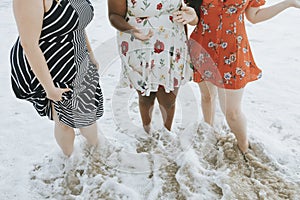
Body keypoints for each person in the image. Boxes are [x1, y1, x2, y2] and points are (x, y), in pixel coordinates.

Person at [174, 0, 300, 155]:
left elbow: (254, 16)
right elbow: (195, 17)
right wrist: (189, 16)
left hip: (234, 52)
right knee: (207, 97)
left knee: (232, 112)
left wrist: (288, 4)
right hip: (203, 47)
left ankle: (244, 149)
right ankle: (209, 135)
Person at [10, 0, 104, 157]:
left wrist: (90, 53)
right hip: (49, 64)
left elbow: (76, 21)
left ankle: (96, 152)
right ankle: (70, 160)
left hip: (76, 56)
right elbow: (29, 45)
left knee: (87, 115)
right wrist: (49, 88)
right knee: (64, 120)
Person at [108, 0, 193, 133]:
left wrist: (191, 13)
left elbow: (193, 5)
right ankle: (147, 134)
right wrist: (133, 31)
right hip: (138, 41)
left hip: (173, 39)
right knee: (145, 95)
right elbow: (114, 15)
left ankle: (166, 137)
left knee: (169, 97)